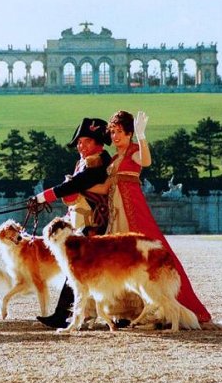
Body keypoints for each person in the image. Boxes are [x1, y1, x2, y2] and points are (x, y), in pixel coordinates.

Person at [91, 110, 214, 325]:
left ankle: (156, 309)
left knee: (142, 260)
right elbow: (104, 188)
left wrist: (141, 136)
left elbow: (146, 161)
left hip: (132, 215)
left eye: (120, 132)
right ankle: (126, 312)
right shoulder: (113, 159)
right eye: (112, 132)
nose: (115, 136)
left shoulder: (134, 151)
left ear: (129, 134)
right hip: (116, 217)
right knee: (122, 264)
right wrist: (72, 188)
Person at [29, 117, 113, 329]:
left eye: (84, 141)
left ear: (98, 143)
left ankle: (65, 315)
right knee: (76, 269)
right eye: (79, 142)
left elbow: (76, 184)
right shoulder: (85, 161)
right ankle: (71, 314)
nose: (79, 146)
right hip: (79, 219)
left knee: (78, 269)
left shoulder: (98, 161)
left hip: (93, 222)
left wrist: (41, 198)